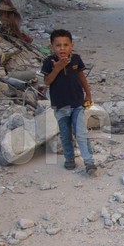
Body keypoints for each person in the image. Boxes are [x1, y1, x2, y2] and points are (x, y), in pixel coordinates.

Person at [41, 29, 97, 175]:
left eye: (66, 45)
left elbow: (81, 77)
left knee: (81, 133)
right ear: (52, 47)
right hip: (60, 106)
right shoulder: (48, 62)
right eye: (58, 45)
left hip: (77, 103)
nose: (62, 48)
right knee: (65, 135)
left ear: (71, 45)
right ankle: (69, 159)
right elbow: (47, 81)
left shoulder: (76, 59)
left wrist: (88, 94)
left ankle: (89, 162)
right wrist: (58, 68)